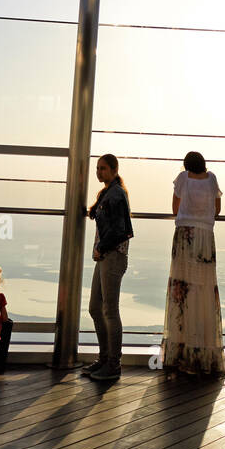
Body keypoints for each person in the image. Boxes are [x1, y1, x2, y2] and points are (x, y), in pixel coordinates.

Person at [161, 151, 225, 378]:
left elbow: (175, 208)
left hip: (185, 238)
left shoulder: (183, 178)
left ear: (186, 165)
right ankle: (203, 354)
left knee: (182, 294)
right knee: (204, 292)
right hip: (205, 240)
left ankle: (180, 353)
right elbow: (217, 210)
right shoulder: (212, 179)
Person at [82, 154, 133, 382]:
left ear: (114, 170)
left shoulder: (117, 194)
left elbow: (121, 229)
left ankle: (113, 364)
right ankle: (104, 359)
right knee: (95, 307)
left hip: (112, 256)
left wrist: (101, 247)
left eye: (102, 168)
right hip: (104, 256)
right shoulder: (108, 193)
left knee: (110, 311)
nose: (98, 172)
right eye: (97, 168)